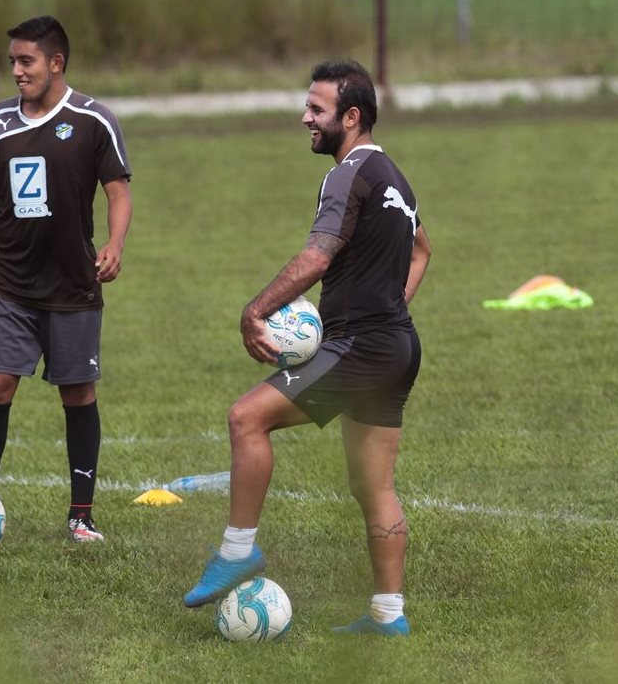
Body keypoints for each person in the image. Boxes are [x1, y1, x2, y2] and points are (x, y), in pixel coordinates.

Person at [183, 60, 432, 636]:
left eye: (316, 110)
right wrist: (391, 309)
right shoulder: (396, 177)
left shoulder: (348, 174)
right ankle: (388, 617)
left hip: (364, 345)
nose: (305, 119)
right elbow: (421, 249)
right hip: (397, 345)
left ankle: (238, 549)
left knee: (246, 418)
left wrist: (256, 310)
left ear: (351, 116)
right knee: (375, 485)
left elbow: (318, 256)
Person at [0, 15, 133, 543]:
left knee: (78, 393)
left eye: (26, 60)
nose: (16, 70)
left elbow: (119, 190)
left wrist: (115, 243)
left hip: (73, 283)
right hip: (11, 279)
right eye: (12, 60)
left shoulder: (93, 120)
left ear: (56, 63)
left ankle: (82, 514)